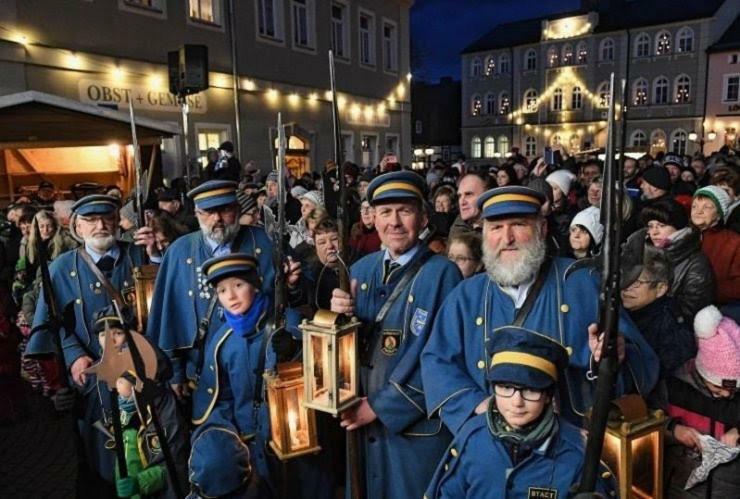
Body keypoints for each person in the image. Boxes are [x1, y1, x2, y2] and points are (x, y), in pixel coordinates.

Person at [421, 186, 658, 432]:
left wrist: (615, 356)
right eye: (496, 228)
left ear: (542, 229)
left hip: (570, 444)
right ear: (483, 234)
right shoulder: (466, 296)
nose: (507, 238)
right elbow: (437, 362)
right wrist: (479, 406)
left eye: (519, 225)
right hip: (490, 440)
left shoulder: (581, 281)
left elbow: (643, 363)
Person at [330, 171, 463, 499]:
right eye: (385, 212)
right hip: (361, 426)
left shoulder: (442, 273)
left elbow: (442, 360)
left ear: (423, 216)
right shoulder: (360, 271)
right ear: (373, 218)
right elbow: (347, 350)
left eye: (404, 211)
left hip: (413, 433)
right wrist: (334, 319)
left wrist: (377, 407)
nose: (395, 222)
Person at [24, 194, 158, 495]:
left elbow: (165, 301)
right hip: (93, 382)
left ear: (117, 222)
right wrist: (73, 357)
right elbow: (52, 323)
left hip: (142, 373)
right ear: (77, 227)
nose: (100, 225)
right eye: (90, 220)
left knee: (148, 450)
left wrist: (157, 254)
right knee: (101, 459)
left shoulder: (139, 255)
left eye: (107, 218)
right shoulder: (60, 268)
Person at [146, 180, 298, 400]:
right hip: (201, 373)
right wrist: (175, 374)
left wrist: (292, 285)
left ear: (237, 209)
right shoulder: (180, 251)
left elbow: (290, 303)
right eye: (208, 212)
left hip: (257, 369)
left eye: (224, 210)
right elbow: (168, 315)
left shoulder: (265, 242)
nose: (217, 219)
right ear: (197, 213)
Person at [424, 328, 613, 499]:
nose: (517, 402)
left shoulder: (575, 452)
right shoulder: (471, 439)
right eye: (506, 388)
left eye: (530, 390)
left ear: (548, 395)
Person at [190, 254, 277, 496]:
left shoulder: (284, 329)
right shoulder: (222, 340)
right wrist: (229, 443)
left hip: (287, 443)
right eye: (222, 290)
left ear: (255, 284)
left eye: (238, 285)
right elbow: (219, 399)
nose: (231, 296)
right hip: (247, 448)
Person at [91, 308, 189, 499]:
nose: (110, 341)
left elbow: (174, 460)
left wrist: (141, 482)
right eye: (103, 334)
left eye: (117, 333)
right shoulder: (100, 383)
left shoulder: (159, 400)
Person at [663, 305, 740, 497]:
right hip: (679, 487)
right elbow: (646, 419)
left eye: (733, 389)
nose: (726, 395)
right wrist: (673, 430)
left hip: (728, 489)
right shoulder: (673, 387)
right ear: (702, 371)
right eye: (718, 387)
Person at [623, 198, 715, 320]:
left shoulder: (697, 263)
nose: (654, 232)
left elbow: (691, 309)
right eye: (650, 226)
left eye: (661, 226)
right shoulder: (642, 250)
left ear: (678, 227)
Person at [620, 253, 695, 385]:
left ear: (660, 289)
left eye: (637, 282)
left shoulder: (671, 325)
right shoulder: (617, 310)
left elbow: (663, 372)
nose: (627, 287)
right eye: (625, 277)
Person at [691, 186, 740, 306]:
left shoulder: (733, 242)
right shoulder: (682, 236)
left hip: (715, 307)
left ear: (719, 213)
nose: (698, 211)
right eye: (694, 206)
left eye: (707, 207)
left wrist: (706, 291)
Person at [449, 171, 493, 239]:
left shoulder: (503, 225)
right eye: (459, 196)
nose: (462, 202)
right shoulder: (457, 229)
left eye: (468, 194)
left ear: (487, 196)